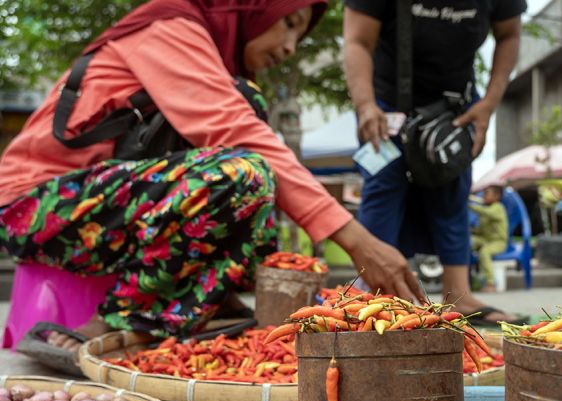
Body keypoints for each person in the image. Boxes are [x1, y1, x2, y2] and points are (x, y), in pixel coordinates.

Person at [0, 0, 424, 354]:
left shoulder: (214, 61)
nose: (291, 47)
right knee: (244, 173)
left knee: (254, 151)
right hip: (35, 205)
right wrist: (357, 241)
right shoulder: (168, 27)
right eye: (290, 24)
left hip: (109, 207)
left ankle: (206, 300)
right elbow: (241, 136)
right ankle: (116, 321)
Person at [343, 0, 526, 325]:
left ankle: (459, 296)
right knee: (382, 192)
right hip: (387, 107)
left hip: (454, 111)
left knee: (452, 195)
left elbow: (509, 34)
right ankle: (371, 295)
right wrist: (365, 105)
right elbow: (357, 40)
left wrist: (490, 102)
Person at [469, 185, 508, 292]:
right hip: (485, 239)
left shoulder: (498, 207)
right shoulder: (484, 209)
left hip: (498, 242)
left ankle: (491, 282)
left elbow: (488, 213)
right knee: (468, 242)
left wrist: (470, 205)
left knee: (484, 252)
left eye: (487, 193)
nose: (483, 196)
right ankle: (469, 278)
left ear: (497, 196)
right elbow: (481, 230)